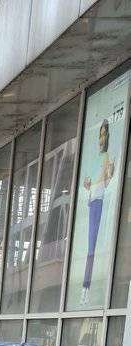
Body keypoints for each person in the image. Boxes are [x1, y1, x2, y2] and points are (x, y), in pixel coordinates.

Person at [81, 119, 115, 306]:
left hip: (99, 203)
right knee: (90, 247)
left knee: (93, 247)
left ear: (107, 137)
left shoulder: (106, 157)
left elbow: (106, 182)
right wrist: (88, 184)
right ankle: (86, 288)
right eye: (100, 134)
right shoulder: (95, 158)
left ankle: (87, 288)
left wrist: (110, 172)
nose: (102, 138)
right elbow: (89, 183)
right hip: (92, 203)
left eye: (104, 134)